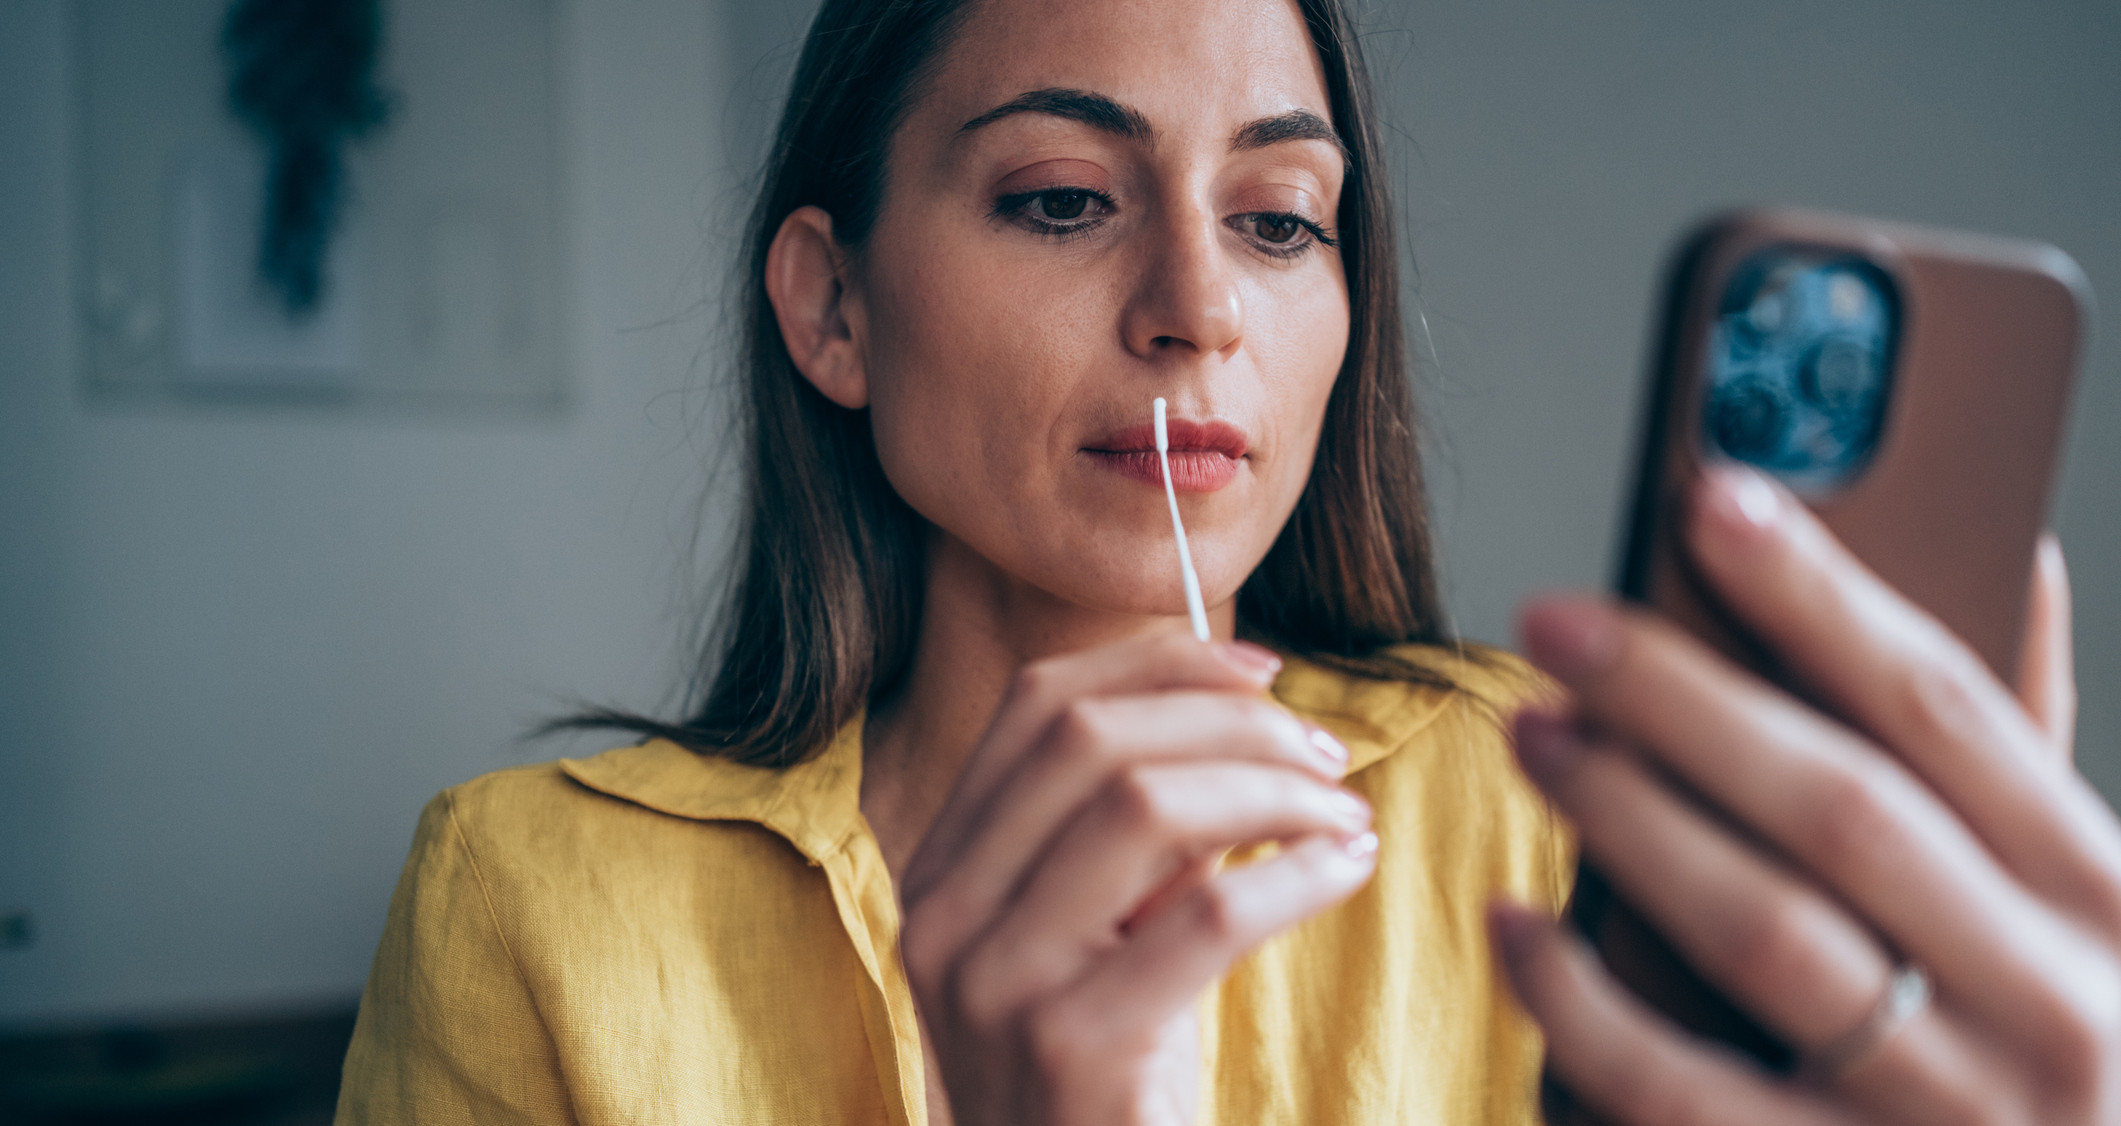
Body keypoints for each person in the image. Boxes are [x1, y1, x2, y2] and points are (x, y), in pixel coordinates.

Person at [335, 0, 2117, 1123]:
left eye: (1277, 222)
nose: (1198, 309)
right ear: (832, 303)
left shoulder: (1559, 801)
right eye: (1059, 198)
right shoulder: (531, 902)